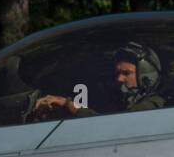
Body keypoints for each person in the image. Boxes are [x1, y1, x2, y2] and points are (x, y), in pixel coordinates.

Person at [30, 42, 166, 119]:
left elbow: (112, 126)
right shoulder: (118, 101)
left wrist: (67, 104)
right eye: (118, 73)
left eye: (126, 73)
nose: (119, 79)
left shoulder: (154, 105)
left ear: (147, 76)